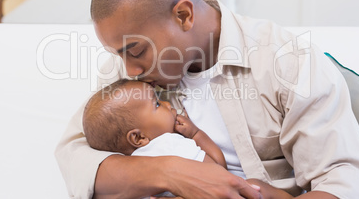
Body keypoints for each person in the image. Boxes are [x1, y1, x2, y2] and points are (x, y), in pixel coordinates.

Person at [55, 0, 359, 199]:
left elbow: (348, 182)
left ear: (183, 15)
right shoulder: (128, 73)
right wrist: (170, 172)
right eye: (118, 54)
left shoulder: (287, 61)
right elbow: (77, 160)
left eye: (136, 51)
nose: (129, 71)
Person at [82, 79, 292, 199]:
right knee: (255, 185)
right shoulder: (170, 144)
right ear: (138, 137)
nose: (166, 105)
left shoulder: (129, 166)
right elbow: (217, 167)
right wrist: (195, 134)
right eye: (157, 104)